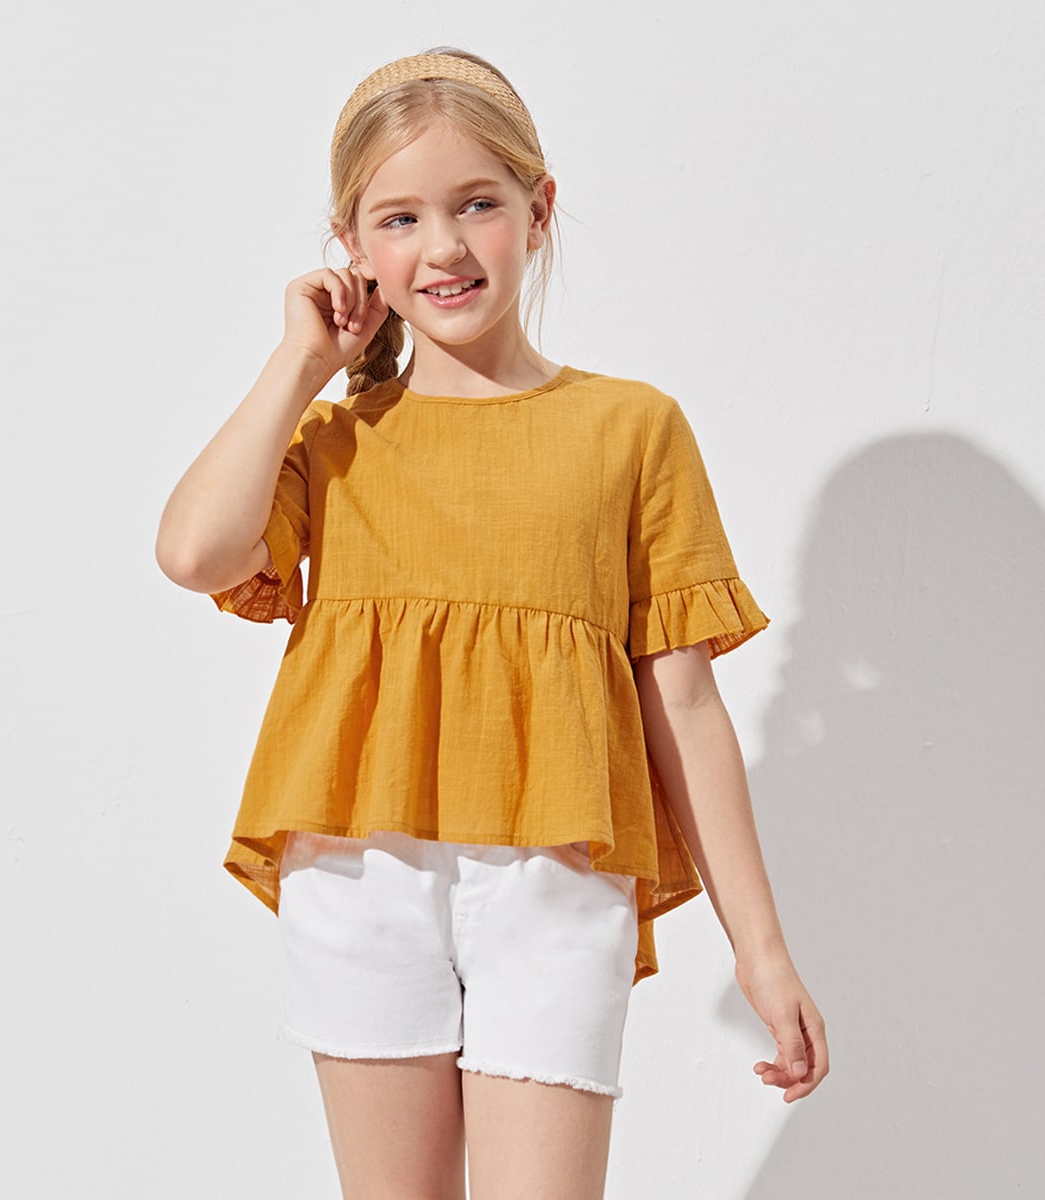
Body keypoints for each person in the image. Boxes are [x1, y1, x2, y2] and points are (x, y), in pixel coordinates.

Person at [156, 46, 828, 1200]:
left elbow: (683, 704)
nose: (445, 247)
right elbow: (193, 552)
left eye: (478, 204)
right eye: (400, 219)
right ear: (353, 246)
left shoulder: (631, 430)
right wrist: (301, 360)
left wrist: (759, 952)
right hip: (361, 873)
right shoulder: (332, 440)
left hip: (558, 880)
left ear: (538, 208)